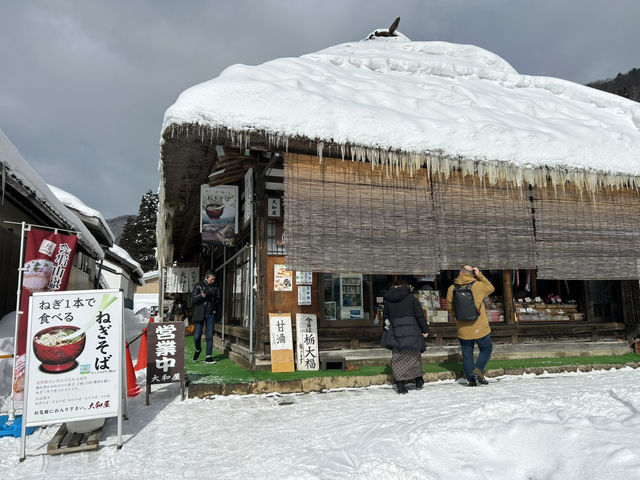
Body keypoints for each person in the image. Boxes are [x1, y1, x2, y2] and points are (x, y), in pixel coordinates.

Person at [446, 265, 495, 386]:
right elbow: (491, 288)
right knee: (486, 348)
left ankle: (471, 380)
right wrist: (479, 275)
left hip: (463, 328)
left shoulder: (451, 288)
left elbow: (449, 308)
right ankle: (478, 370)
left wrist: (459, 316)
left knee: (467, 353)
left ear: (460, 273)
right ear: (472, 274)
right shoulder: (478, 286)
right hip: (479, 326)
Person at [383, 280, 430, 394]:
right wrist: (425, 330)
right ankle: (418, 380)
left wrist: (385, 332)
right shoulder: (411, 298)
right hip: (412, 331)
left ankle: (400, 384)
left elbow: (386, 319)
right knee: (414, 356)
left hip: (396, 331)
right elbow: (419, 315)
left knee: (398, 357)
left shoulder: (388, 300)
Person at [191, 271, 220, 364]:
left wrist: (215, 307)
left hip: (210, 312)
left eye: (214, 280)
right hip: (199, 313)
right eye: (211, 279)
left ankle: (208, 356)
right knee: (197, 336)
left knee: (209, 335)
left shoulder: (215, 287)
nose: (213, 281)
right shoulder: (198, 286)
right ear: (206, 278)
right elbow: (193, 299)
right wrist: (201, 295)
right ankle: (198, 349)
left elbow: (218, 299)